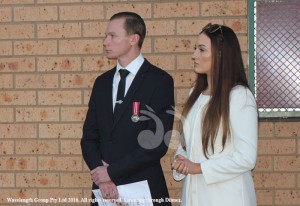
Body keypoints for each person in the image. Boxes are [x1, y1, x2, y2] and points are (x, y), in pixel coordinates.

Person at [81, 12, 174, 206]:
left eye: (112, 36)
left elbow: (157, 143)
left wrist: (111, 172)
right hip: (104, 191)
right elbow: (89, 136)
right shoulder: (102, 83)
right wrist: (102, 174)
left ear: (134, 38)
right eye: (105, 36)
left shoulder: (159, 81)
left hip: (144, 188)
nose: (106, 41)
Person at [171, 23, 258, 206]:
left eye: (201, 50)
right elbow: (187, 142)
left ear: (220, 55)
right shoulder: (195, 93)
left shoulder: (239, 96)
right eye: (196, 49)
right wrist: (181, 160)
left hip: (227, 197)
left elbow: (246, 157)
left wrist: (199, 168)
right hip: (193, 195)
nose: (194, 55)